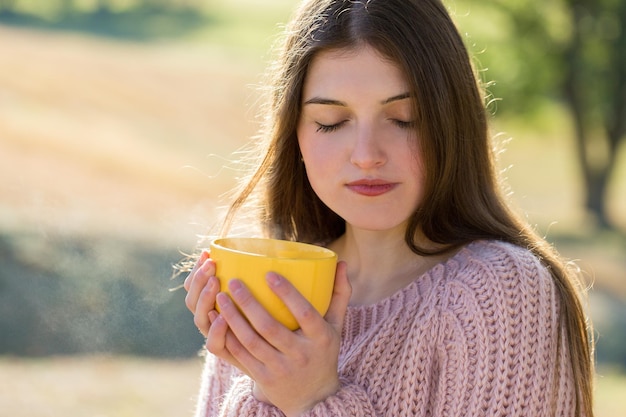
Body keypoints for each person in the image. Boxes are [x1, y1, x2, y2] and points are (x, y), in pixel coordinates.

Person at [183, 0, 594, 416]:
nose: (366, 155)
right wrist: (263, 386)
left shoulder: (500, 292)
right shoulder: (267, 286)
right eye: (331, 120)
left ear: (451, 122)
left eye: (403, 118)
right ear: (296, 135)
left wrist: (312, 400)